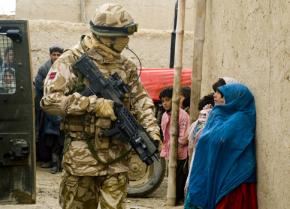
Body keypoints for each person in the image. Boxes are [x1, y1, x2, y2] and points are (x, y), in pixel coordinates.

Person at [40, 3, 160, 209]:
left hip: (117, 159)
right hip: (81, 160)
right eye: (124, 35)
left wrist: (152, 131)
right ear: (108, 37)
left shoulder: (126, 66)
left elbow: (142, 101)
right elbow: (49, 101)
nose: (128, 40)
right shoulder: (71, 60)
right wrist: (94, 104)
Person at [184, 83, 257, 209]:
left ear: (233, 97)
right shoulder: (220, 114)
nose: (215, 95)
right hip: (217, 169)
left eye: (219, 93)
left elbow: (220, 139)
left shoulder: (241, 118)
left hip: (233, 175)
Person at [34, 45, 64, 174]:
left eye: (58, 55)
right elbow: (39, 85)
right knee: (47, 136)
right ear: (50, 55)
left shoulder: (65, 68)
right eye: (54, 54)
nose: (56, 57)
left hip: (61, 107)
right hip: (47, 108)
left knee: (60, 136)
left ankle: (57, 163)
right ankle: (49, 161)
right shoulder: (44, 68)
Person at [159, 87, 190, 205]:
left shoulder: (182, 116)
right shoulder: (165, 115)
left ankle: (177, 200)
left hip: (181, 152)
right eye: (163, 101)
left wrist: (175, 143)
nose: (164, 103)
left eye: (167, 100)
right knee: (171, 176)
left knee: (179, 178)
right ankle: (173, 199)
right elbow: (164, 134)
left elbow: (184, 137)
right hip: (169, 151)